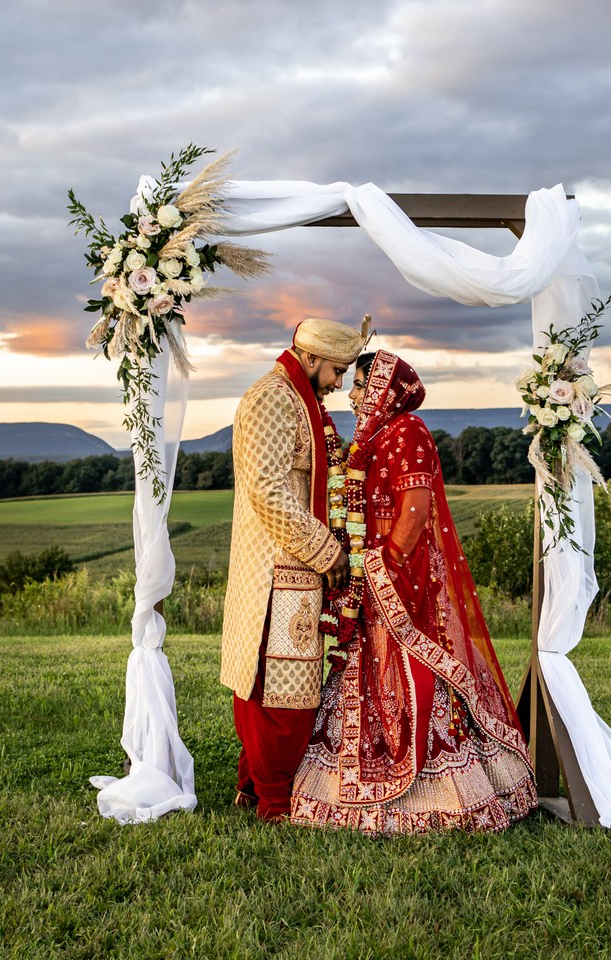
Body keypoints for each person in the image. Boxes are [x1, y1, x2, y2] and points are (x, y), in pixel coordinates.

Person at [291, 350, 537, 833]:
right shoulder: (371, 438)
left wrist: (381, 568)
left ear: (384, 390)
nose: (353, 395)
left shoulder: (408, 431)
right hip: (374, 573)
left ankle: (442, 790)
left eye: (360, 385)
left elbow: (415, 511)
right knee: (366, 663)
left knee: (413, 666)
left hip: (403, 578)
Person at [219, 316, 368, 823]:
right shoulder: (273, 398)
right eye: (337, 371)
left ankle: (259, 788)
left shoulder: (297, 399)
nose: (339, 383)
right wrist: (327, 551)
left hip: (294, 568)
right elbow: (268, 491)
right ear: (311, 357)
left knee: (288, 690)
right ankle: (276, 802)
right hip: (276, 569)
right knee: (279, 694)